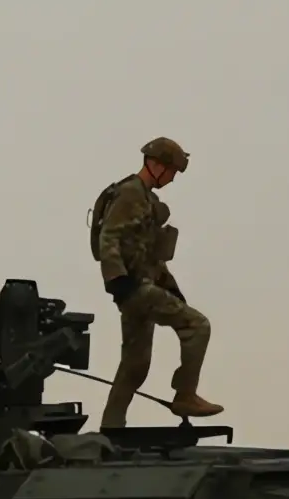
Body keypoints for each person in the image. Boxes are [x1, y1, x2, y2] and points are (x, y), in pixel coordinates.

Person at [91, 136, 222, 429]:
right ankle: (185, 395)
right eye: (172, 171)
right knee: (198, 326)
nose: (173, 178)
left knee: (135, 365)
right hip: (135, 288)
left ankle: (111, 428)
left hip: (139, 286)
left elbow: (148, 254)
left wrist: (169, 286)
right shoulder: (130, 194)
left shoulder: (146, 199)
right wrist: (117, 280)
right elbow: (108, 237)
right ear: (154, 165)